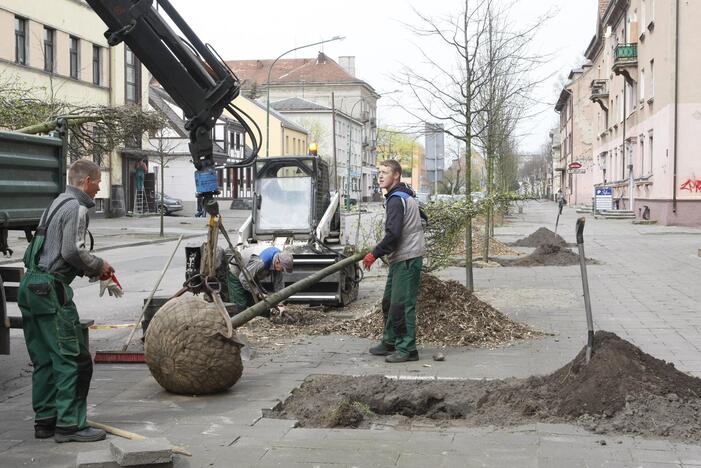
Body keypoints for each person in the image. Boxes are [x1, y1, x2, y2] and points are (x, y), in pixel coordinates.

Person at [17, 160, 117, 443]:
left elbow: (50, 251)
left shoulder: (56, 203)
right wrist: (99, 266)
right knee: (73, 360)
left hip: (31, 286)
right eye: (98, 181)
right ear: (86, 181)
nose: (99, 187)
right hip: (51, 291)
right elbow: (71, 251)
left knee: (44, 359)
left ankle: (45, 421)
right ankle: (70, 425)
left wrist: (89, 271)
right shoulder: (77, 208)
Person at [362, 159, 426, 363]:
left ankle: (407, 348)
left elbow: (393, 235)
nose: (380, 176)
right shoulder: (403, 195)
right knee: (389, 302)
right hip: (401, 257)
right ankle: (390, 341)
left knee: (401, 304)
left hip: (407, 258)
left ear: (396, 175)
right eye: (379, 172)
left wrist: (374, 254)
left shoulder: (397, 199)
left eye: (385, 172)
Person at [227, 246, 294, 312]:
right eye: (282, 269)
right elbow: (243, 278)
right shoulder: (260, 261)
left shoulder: (279, 257)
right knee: (241, 305)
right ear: (277, 262)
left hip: (250, 275)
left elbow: (278, 284)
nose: (281, 271)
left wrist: (280, 303)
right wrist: (258, 292)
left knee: (258, 305)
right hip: (237, 272)